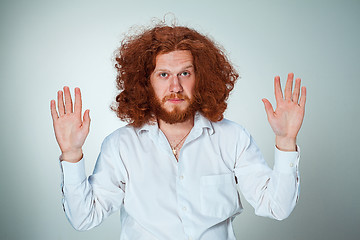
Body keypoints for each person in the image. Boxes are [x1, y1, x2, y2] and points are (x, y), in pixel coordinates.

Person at [50, 23, 306, 240]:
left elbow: (277, 207)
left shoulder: (232, 138)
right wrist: (72, 154)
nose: (175, 86)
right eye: (163, 74)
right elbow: (84, 218)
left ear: (201, 78)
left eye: (185, 73)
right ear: (145, 82)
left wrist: (286, 141)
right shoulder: (120, 145)